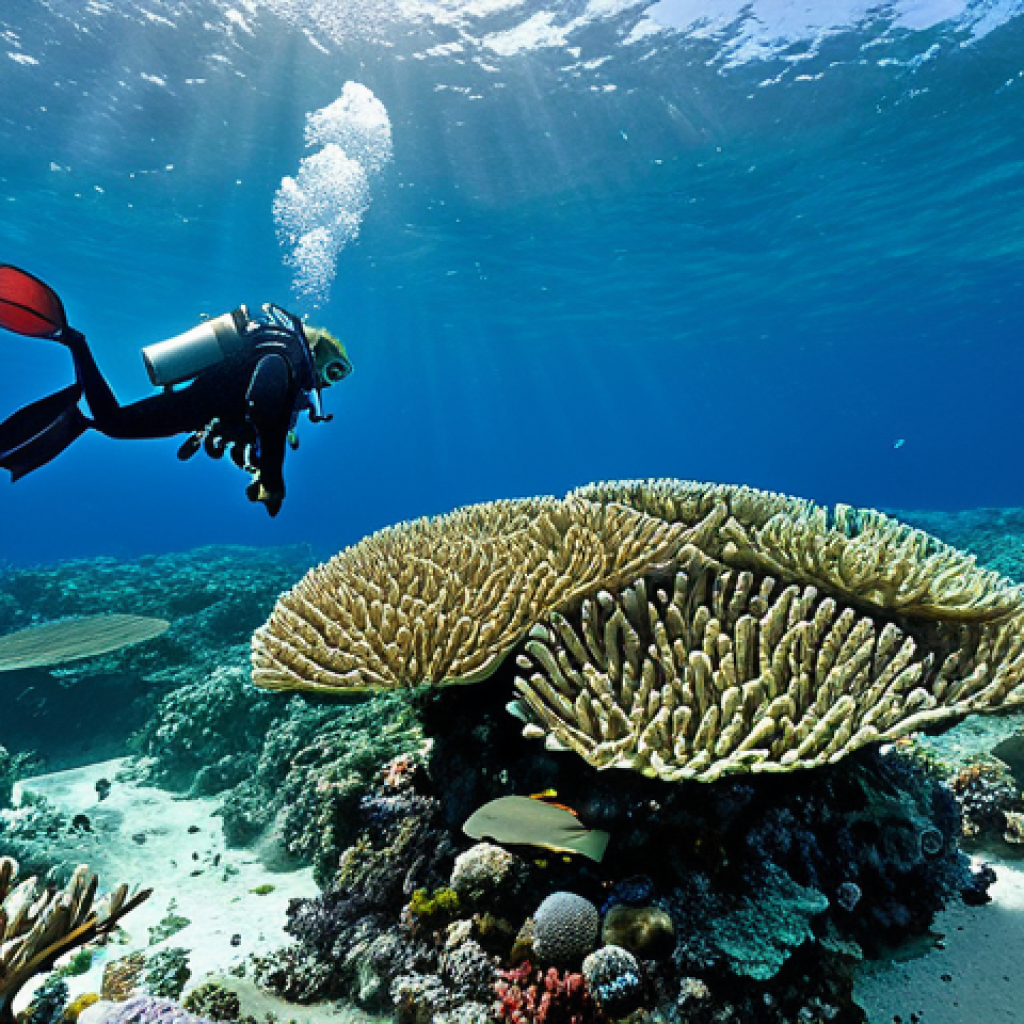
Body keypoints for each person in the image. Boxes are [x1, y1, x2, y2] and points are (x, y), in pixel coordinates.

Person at [0, 264, 351, 517]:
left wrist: (261, 465)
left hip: (197, 406)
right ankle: (76, 345)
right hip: (194, 407)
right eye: (334, 371)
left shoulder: (282, 352)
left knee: (112, 422)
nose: (328, 383)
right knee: (112, 422)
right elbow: (263, 405)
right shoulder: (286, 351)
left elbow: (260, 417)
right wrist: (274, 480)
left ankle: (75, 372)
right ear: (317, 353)